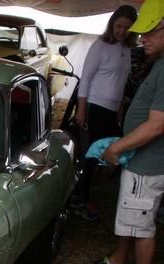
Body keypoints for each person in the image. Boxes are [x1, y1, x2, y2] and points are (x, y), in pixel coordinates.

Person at [84, 0, 164, 264]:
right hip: (141, 159)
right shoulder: (159, 63)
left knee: (142, 225)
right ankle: (117, 262)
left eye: (150, 32)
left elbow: (157, 125)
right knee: (132, 216)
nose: (142, 38)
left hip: (149, 164)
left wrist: (116, 148)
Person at [74, 5, 138, 221]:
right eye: (118, 26)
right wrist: (81, 109)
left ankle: (87, 190)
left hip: (112, 109)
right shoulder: (100, 46)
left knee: (104, 151)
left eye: (127, 28)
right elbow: (85, 79)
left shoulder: (126, 49)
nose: (122, 31)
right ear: (111, 24)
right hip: (95, 106)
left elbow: (120, 83)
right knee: (91, 154)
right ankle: (81, 198)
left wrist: (119, 110)